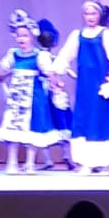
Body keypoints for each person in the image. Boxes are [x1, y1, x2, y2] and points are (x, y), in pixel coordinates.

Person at [53, 0, 109, 174]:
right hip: (86, 85)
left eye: (93, 13)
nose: (90, 17)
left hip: (103, 83)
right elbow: (65, 55)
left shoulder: (108, 35)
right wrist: (56, 71)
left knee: (103, 120)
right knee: (85, 119)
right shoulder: (77, 35)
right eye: (87, 14)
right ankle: (86, 161)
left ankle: (107, 162)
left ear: (100, 15)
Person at [0, 11, 60, 175]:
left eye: (25, 35)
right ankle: (12, 161)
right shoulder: (13, 54)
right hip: (17, 97)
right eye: (18, 36)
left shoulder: (39, 56)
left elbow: (49, 73)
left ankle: (30, 162)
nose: (21, 39)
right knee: (13, 127)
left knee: (33, 128)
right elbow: (4, 70)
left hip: (34, 97)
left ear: (32, 36)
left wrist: (55, 85)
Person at [38, 17, 74, 168]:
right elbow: (50, 73)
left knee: (60, 121)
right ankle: (51, 159)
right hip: (46, 92)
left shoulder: (53, 57)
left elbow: (65, 70)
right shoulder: (41, 56)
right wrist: (55, 83)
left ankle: (64, 157)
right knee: (47, 123)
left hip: (53, 92)